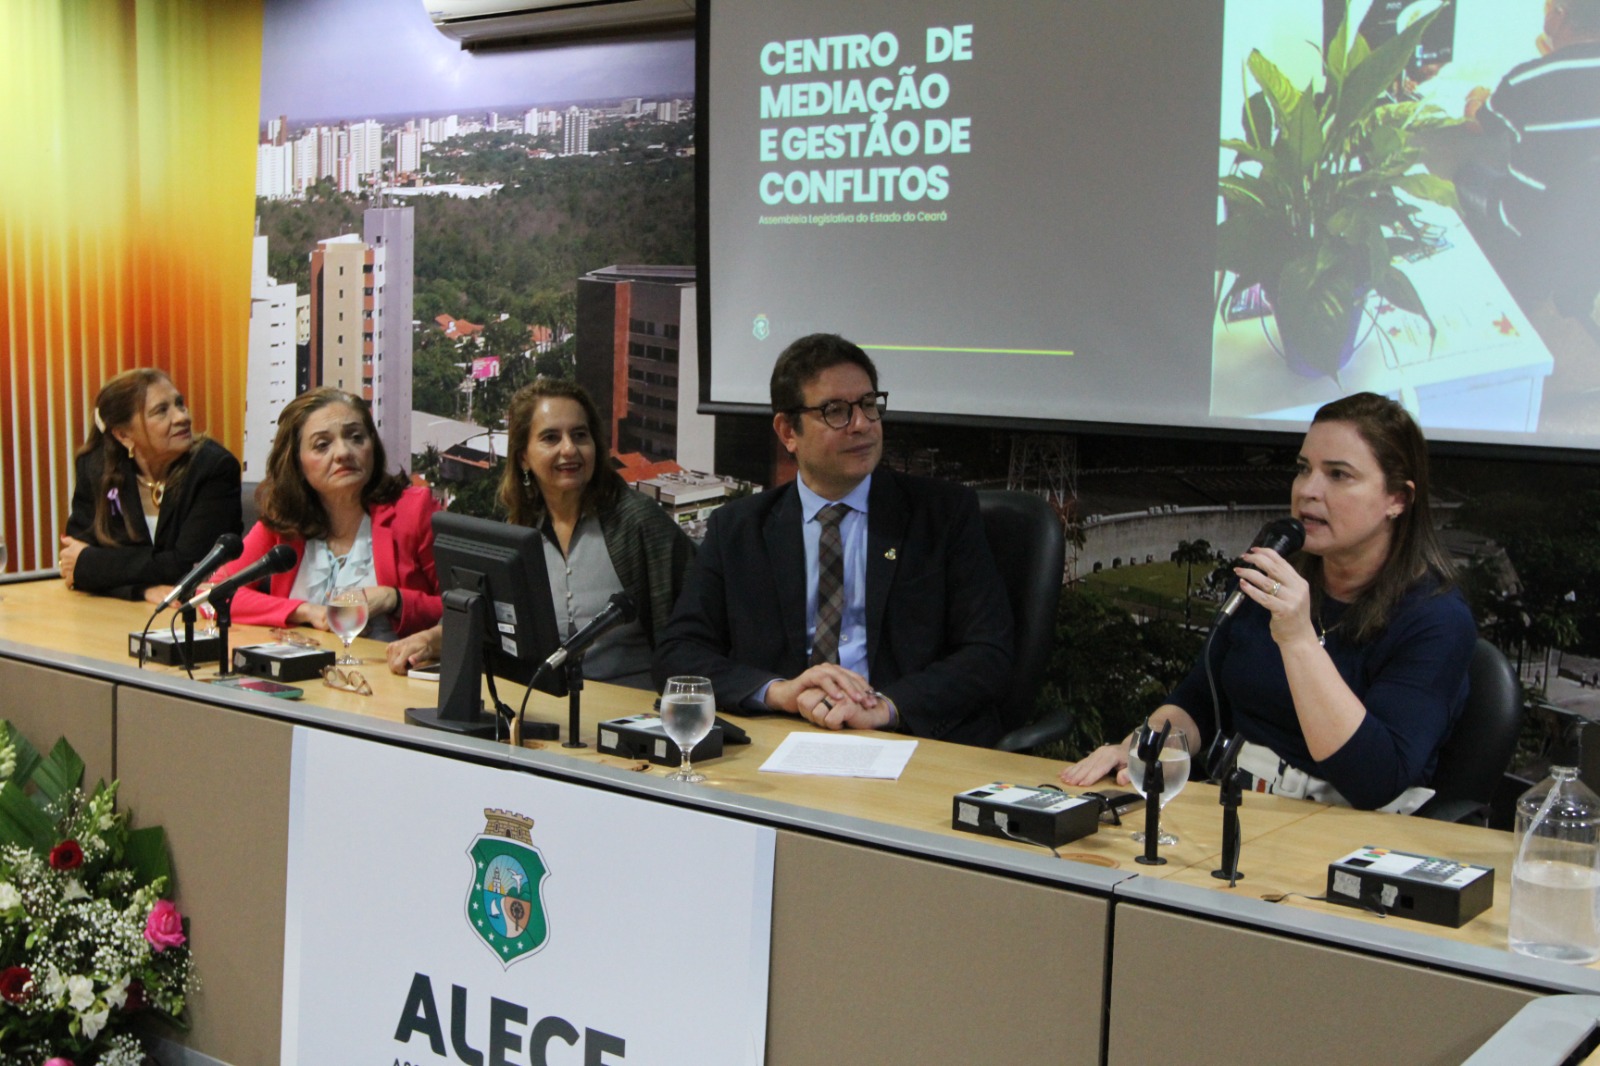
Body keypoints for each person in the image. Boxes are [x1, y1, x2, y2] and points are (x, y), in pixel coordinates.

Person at [1062, 392, 1477, 811]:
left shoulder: (1436, 619)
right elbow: (1202, 700)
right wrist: (1142, 746)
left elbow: (1374, 779)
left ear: (1398, 499)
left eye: (1338, 475)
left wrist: (1298, 638)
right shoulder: (1270, 575)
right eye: (1304, 469)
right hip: (1240, 803)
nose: (1308, 490)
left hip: (1355, 824)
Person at [652, 333, 1013, 746]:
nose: (861, 424)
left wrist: (887, 707)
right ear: (788, 431)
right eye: (836, 411)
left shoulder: (943, 515)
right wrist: (780, 692)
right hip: (780, 740)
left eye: (869, 405)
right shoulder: (738, 529)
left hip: (907, 740)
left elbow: (989, 653)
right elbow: (678, 654)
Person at [385, 379, 694, 688]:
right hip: (545, 704)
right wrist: (429, 640)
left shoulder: (638, 522)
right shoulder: (520, 532)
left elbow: (694, 632)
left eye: (580, 435)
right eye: (551, 438)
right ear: (523, 457)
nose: (569, 449)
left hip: (633, 706)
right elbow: (482, 617)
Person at [219, 388, 440, 640]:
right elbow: (215, 592)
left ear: (373, 445)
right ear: (297, 462)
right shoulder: (285, 518)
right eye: (322, 445)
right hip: (302, 663)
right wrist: (307, 612)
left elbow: (466, 612)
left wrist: (395, 599)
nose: (343, 452)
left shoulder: (414, 511)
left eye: (356, 437)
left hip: (386, 664)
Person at [1459, 0, 1600, 312]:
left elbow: (1477, 124)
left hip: (1532, 224)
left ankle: (1489, 284)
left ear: (1559, 17)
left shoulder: (1528, 79)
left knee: (1467, 173)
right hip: (1591, 229)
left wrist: (1475, 98)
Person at [60, 368, 242, 602]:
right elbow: (73, 565)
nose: (182, 417)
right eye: (161, 411)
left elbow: (190, 565)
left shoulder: (214, 468)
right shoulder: (97, 468)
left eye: (179, 404)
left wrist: (92, 564)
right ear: (123, 435)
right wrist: (142, 591)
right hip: (121, 611)